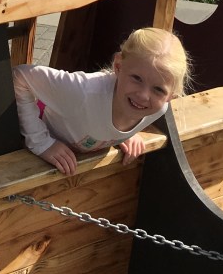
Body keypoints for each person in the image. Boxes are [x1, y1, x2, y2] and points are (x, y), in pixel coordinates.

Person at [13, 26, 190, 175]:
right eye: (137, 78)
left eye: (158, 89)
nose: (144, 96)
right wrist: (42, 143)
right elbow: (20, 76)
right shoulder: (82, 92)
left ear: (171, 96)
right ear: (118, 66)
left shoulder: (157, 109)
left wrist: (125, 135)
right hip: (32, 139)